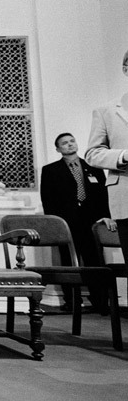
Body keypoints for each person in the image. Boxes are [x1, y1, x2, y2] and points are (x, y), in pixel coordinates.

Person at [41, 133, 114, 313]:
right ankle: (72, 301)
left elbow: (103, 195)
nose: (70, 145)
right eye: (64, 143)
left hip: (91, 223)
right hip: (66, 224)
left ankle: (100, 301)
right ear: (58, 149)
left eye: (72, 141)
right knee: (68, 262)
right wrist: (55, 224)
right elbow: (48, 199)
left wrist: (106, 215)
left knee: (95, 261)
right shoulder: (50, 170)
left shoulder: (93, 167)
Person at [85, 49, 128, 264]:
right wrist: (123, 156)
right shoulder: (106, 111)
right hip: (126, 196)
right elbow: (93, 154)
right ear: (125, 69)